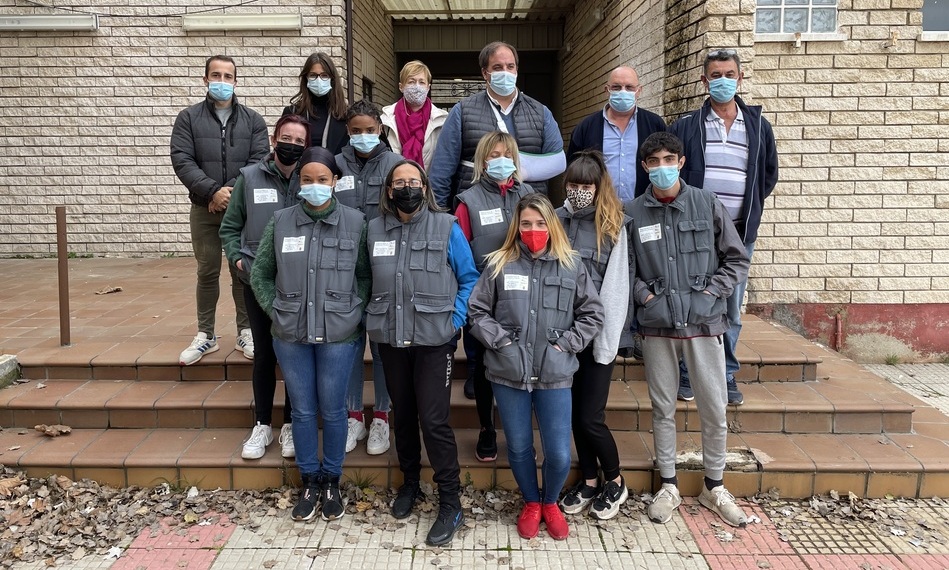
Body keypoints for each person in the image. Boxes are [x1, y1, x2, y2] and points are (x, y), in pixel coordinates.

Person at [630, 132, 750, 528]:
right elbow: (623, 272)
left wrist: (711, 293)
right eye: (654, 161)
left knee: (714, 409)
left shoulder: (706, 202)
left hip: (703, 324)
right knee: (663, 408)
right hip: (658, 328)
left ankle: (714, 486)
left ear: (681, 161)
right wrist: (647, 299)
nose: (662, 167)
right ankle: (668, 485)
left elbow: (736, 259)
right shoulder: (633, 212)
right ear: (644, 166)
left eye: (669, 159)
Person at [468, 193, 604, 541]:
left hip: (555, 372)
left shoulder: (572, 265)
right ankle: (531, 502)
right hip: (508, 371)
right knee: (518, 446)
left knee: (558, 451)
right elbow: (477, 311)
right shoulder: (499, 263)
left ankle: (551, 502)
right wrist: (501, 342)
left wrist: (567, 344)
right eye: (526, 223)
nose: (533, 230)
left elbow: (592, 314)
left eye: (541, 223)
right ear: (517, 226)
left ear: (552, 225)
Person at [250, 146, 371, 522]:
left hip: (339, 334)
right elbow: (260, 274)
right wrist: (278, 311)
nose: (315, 186)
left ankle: (332, 479)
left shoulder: (357, 222)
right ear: (298, 182)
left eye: (322, 180)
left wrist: (354, 311)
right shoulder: (281, 221)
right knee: (302, 410)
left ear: (335, 182)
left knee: (334, 410)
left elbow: (366, 275)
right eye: (307, 180)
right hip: (291, 335)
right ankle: (308, 480)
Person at [366, 160, 478, 546]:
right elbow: (366, 278)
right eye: (400, 182)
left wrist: (454, 320)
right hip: (391, 338)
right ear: (388, 189)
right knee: (404, 414)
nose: (407, 188)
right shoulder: (375, 228)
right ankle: (411, 483)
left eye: (413, 181)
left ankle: (451, 501)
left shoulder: (446, 226)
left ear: (425, 186)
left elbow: (469, 278)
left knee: (433, 419)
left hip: (434, 339)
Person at [670, 49, 779, 406]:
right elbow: (676, 176)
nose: (722, 81)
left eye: (729, 74)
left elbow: (767, 176)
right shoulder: (687, 126)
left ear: (740, 78)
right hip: (696, 233)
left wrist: (747, 211)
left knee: (731, 306)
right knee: (692, 301)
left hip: (739, 232)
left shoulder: (758, 126)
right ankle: (688, 373)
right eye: (715, 75)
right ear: (704, 81)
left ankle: (727, 373)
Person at [220, 114, 309, 460]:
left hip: (298, 285)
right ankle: (261, 424)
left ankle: (289, 424)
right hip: (258, 281)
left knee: (291, 355)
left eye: (300, 141)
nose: (292, 146)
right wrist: (238, 260)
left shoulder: (310, 178)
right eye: (287, 138)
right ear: (274, 139)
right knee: (264, 355)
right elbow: (229, 228)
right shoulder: (249, 178)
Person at [171, 55, 269, 366]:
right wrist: (212, 191)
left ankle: (246, 330)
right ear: (205, 80)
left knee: (242, 271)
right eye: (216, 75)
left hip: (241, 211)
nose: (222, 82)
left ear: (236, 81)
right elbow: (182, 159)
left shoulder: (253, 120)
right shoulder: (188, 118)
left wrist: (229, 193)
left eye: (228, 76)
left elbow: (258, 160)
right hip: (204, 208)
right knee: (207, 270)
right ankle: (206, 334)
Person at [554, 151, 633, 520]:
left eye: (586, 185)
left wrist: (606, 341)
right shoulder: (555, 219)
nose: (579, 191)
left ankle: (615, 480)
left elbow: (616, 290)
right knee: (572, 414)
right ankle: (588, 479)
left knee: (590, 416)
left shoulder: (614, 227)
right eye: (573, 184)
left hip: (596, 336)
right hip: (562, 337)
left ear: (599, 187)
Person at [453, 131, 534, 463]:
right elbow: (460, 257)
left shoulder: (529, 195)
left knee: (522, 362)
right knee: (486, 366)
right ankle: (487, 429)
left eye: (506, 154)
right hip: (484, 298)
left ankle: (522, 431)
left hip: (524, 296)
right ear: (482, 162)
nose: (500, 161)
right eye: (493, 155)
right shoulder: (467, 201)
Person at [336, 99, 404, 456]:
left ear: (380, 128)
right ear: (348, 131)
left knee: (380, 346)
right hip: (344, 269)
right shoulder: (334, 165)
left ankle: (381, 415)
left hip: (382, 267)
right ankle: (352, 416)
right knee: (350, 345)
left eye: (370, 130)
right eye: (356, 131)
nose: (364, 136)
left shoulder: (395, 165)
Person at [428, 41, 566, 207]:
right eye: (498, 67)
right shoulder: (462, 111)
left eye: (510, 66)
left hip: (527, 213)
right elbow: (442, 171)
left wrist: (524, 171)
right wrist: (439, 216)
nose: (506, 72)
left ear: (516, 70)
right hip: (476, 211)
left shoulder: (541, 112)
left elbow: (557, 162)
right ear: (485, 73)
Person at [566, 66, 667, 201]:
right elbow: (573, 170)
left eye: (629, 87)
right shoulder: (586, 127)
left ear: (639, 91)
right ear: (607, 90)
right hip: (598, 209)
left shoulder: (654, 124)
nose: (623, 92)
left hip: (645, 207)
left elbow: (667, 163)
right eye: (616, 87)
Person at [380, 60, 448, 170]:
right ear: (401, 87)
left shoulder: (442, 121)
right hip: (396, 183)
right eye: (411, 82)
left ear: (428, 87)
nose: (417, 87)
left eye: (422, 82)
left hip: (428, 184)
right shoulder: (386, 120)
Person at [283, 52, 349, 154]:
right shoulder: (292, 112)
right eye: (313, 75)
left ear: (332, 79)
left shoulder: (346, 114)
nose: (319, 80)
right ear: (306, 78)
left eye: (324, 75)